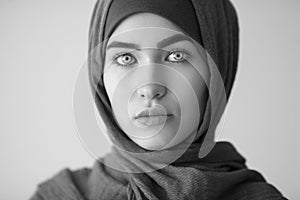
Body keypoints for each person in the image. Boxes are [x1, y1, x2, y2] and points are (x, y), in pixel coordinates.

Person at [30, 0, 288, 199]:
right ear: (99, 75)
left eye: (176, 56)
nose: (149, 87)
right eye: (125, 58)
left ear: (216, 70)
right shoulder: (59, 194)